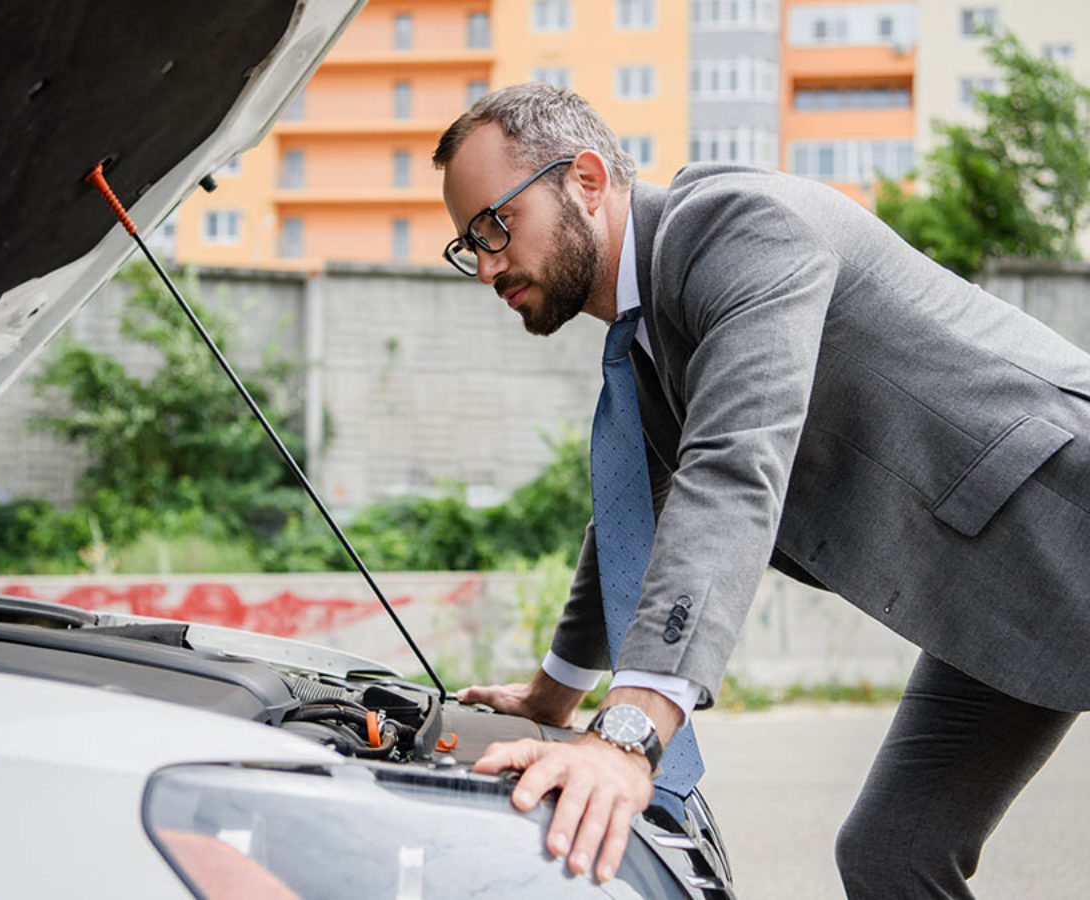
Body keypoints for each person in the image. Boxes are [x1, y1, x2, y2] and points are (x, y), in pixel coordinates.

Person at [432, 82, 1090, 897]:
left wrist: (630, 732)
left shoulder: (737, 230)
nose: (488, 262)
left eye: (497, 224)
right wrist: (553, 693)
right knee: (895, 855)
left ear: (588, 181)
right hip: (994, 596)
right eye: (469, 242)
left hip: (1065, 514)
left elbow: (733, 466)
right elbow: (630, 521)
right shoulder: (648, 334)